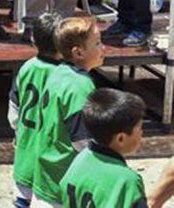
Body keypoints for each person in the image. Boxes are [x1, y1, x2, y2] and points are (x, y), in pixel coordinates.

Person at [31, 17, 104, 207]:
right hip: (64, 182)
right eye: (97, 43)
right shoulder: (80, 85)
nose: (103, 48)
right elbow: (82, 141)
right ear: (78, 52)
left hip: (46, 175)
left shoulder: (58, 72)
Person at [8, 12, 63, 208]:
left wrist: (19, 132)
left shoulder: (27, 68)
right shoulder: (65, 75)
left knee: (22, 199)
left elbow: (13, 111)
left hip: (25, 153)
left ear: (33, 40)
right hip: (50, 164)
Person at [58, 88, 147, 208]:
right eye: (140, 128)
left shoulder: (79, 160)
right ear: (121, 138)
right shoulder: (127, 181)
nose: (142, 133)